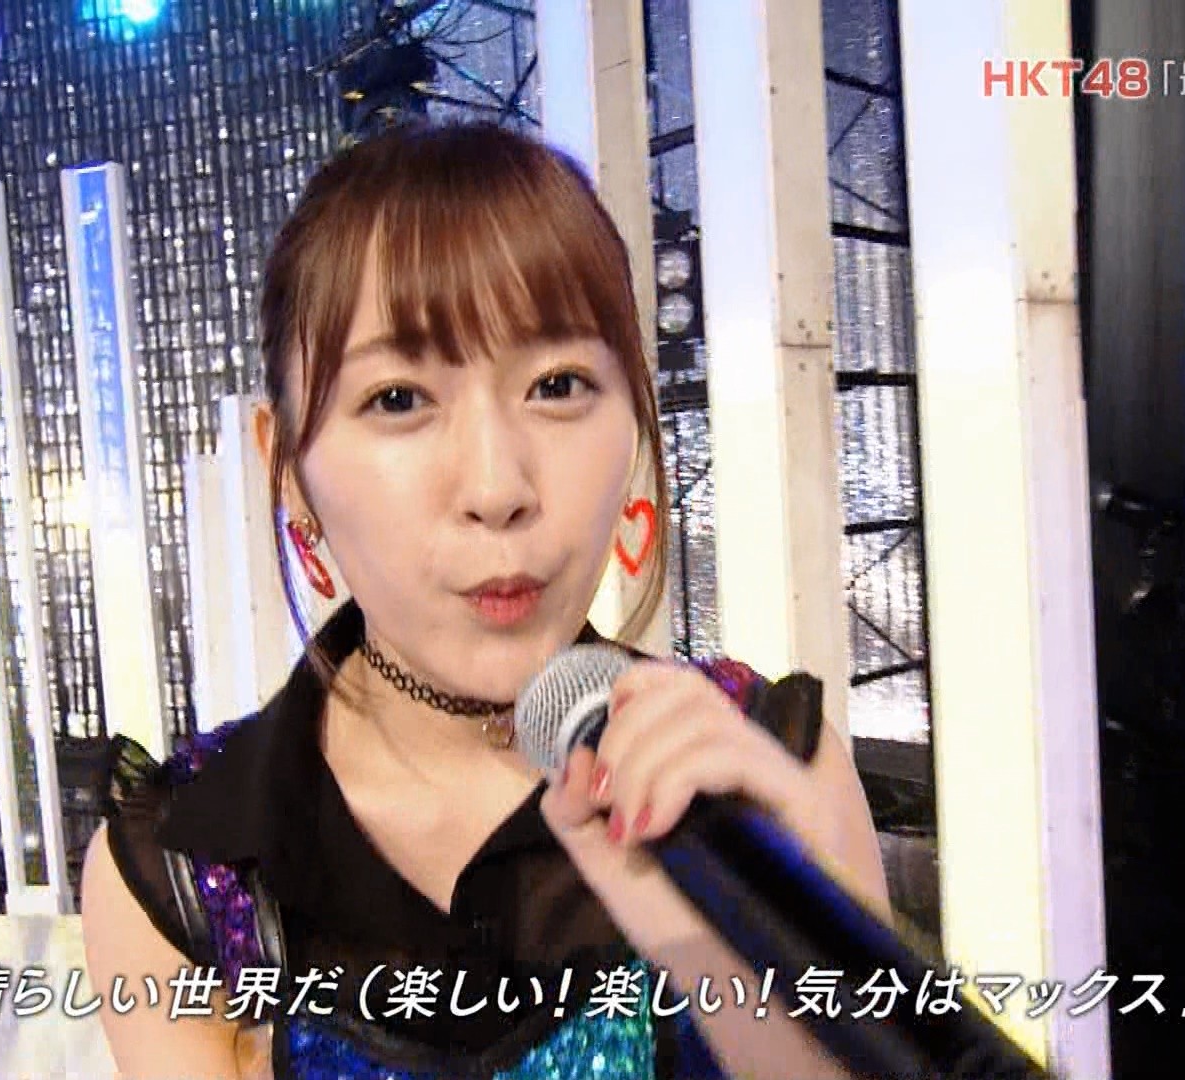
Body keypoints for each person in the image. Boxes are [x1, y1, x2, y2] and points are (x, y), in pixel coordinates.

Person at [80, 119, 893, 1080]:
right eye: (398, 399)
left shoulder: (772, 772)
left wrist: (797, 983)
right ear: (287, 467)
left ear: (635, 420)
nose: (498, 486)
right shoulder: (182, 872)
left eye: (559, 384)